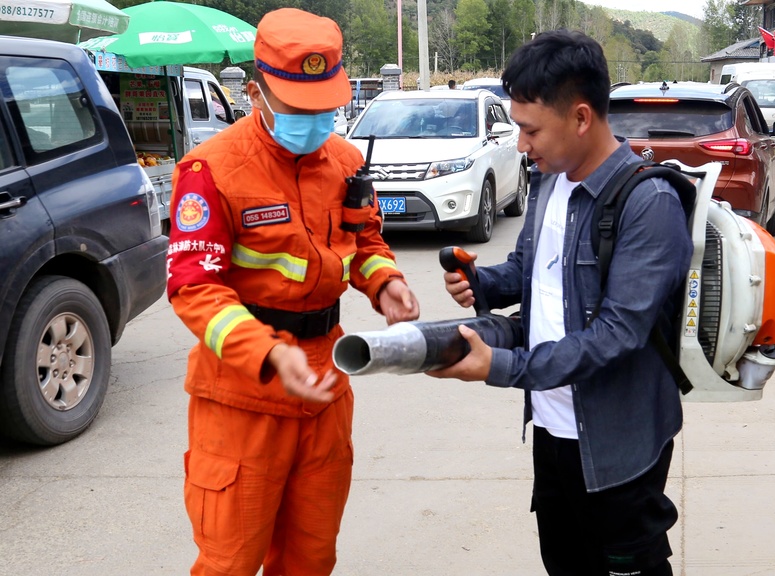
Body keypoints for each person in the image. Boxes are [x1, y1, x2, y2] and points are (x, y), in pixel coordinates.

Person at [165, 8, 420, 575]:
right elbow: (193, 288)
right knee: (230, 561)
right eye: (298, 107)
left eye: (325, 105)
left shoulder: (346, 160)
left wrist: (386, 283)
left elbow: (365, 239)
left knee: (311, 557)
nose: (314, 119)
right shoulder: (212, 171)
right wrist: (267, 351)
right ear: (256, 92)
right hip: (241, 396)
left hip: (324, 384)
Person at [427, 29, 690, 576]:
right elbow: (532, 271)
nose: (522, 145)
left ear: (581, 117)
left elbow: (617, 334)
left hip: (619, 441)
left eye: (530, 130)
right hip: (551, 429)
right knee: (564, 562)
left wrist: (501, 365)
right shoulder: (551, 182)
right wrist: (485, 284)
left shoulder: (649, 202)